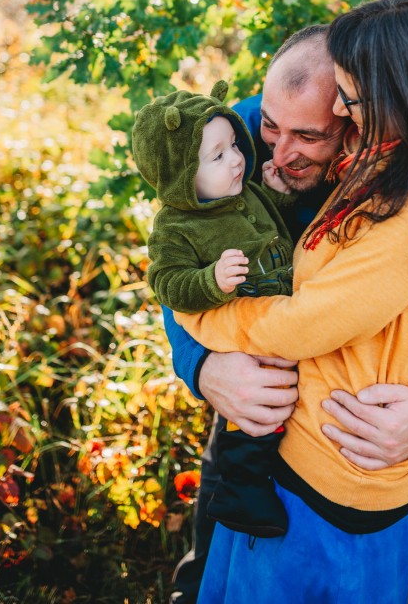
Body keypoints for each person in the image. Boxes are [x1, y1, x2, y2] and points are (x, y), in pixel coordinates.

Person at [175, 0, 408, 603]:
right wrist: (205, 368)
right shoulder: (238, 134)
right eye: (271, 127)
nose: (278, 154)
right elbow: (179, 259)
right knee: (223, 559)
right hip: (256, 401)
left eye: (311, 135)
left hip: (367, 427)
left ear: (369, 115)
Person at [131, 80, 297, 537]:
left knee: (280, 405)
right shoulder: (177, 226)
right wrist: (211, 281)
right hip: (246, 337)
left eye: (233, 147)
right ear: (182, 175)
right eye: (218, 156)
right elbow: (166, 283)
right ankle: (239, 493)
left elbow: (278, 227)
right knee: (255, 420)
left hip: (283, 313)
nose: (238, 159)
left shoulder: (241, 190)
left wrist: (281, 192)